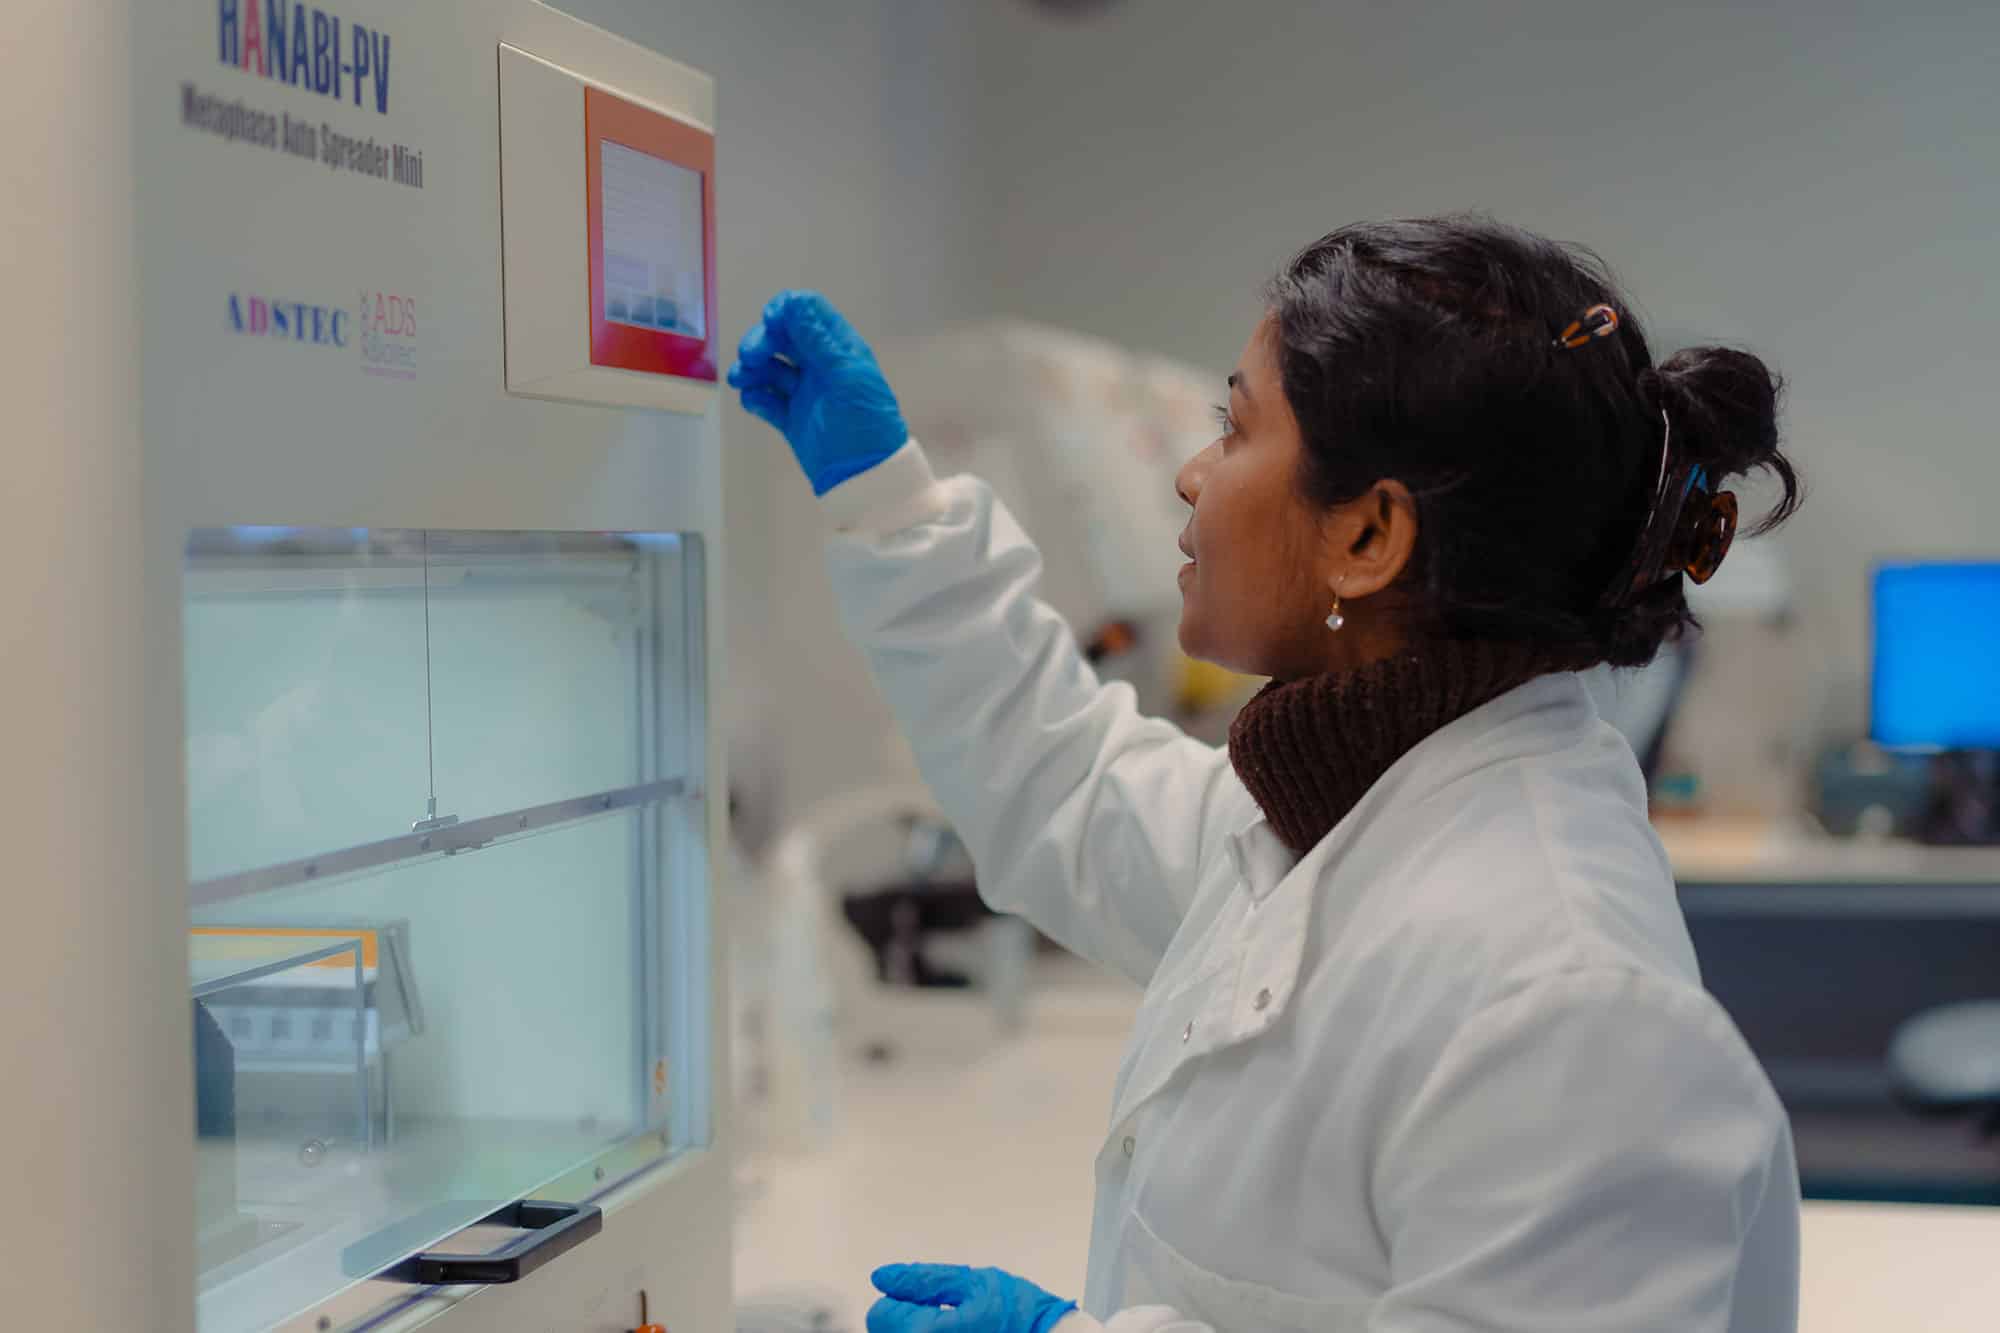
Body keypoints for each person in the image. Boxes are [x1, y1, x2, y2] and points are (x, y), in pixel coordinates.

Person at [728, 215, 1804, 1333]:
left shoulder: (1565, 1004)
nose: (1192, 477)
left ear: (1367, 538)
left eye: (1233, 431)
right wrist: (890, 503)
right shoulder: (1330, 819)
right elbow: (1064, 781)